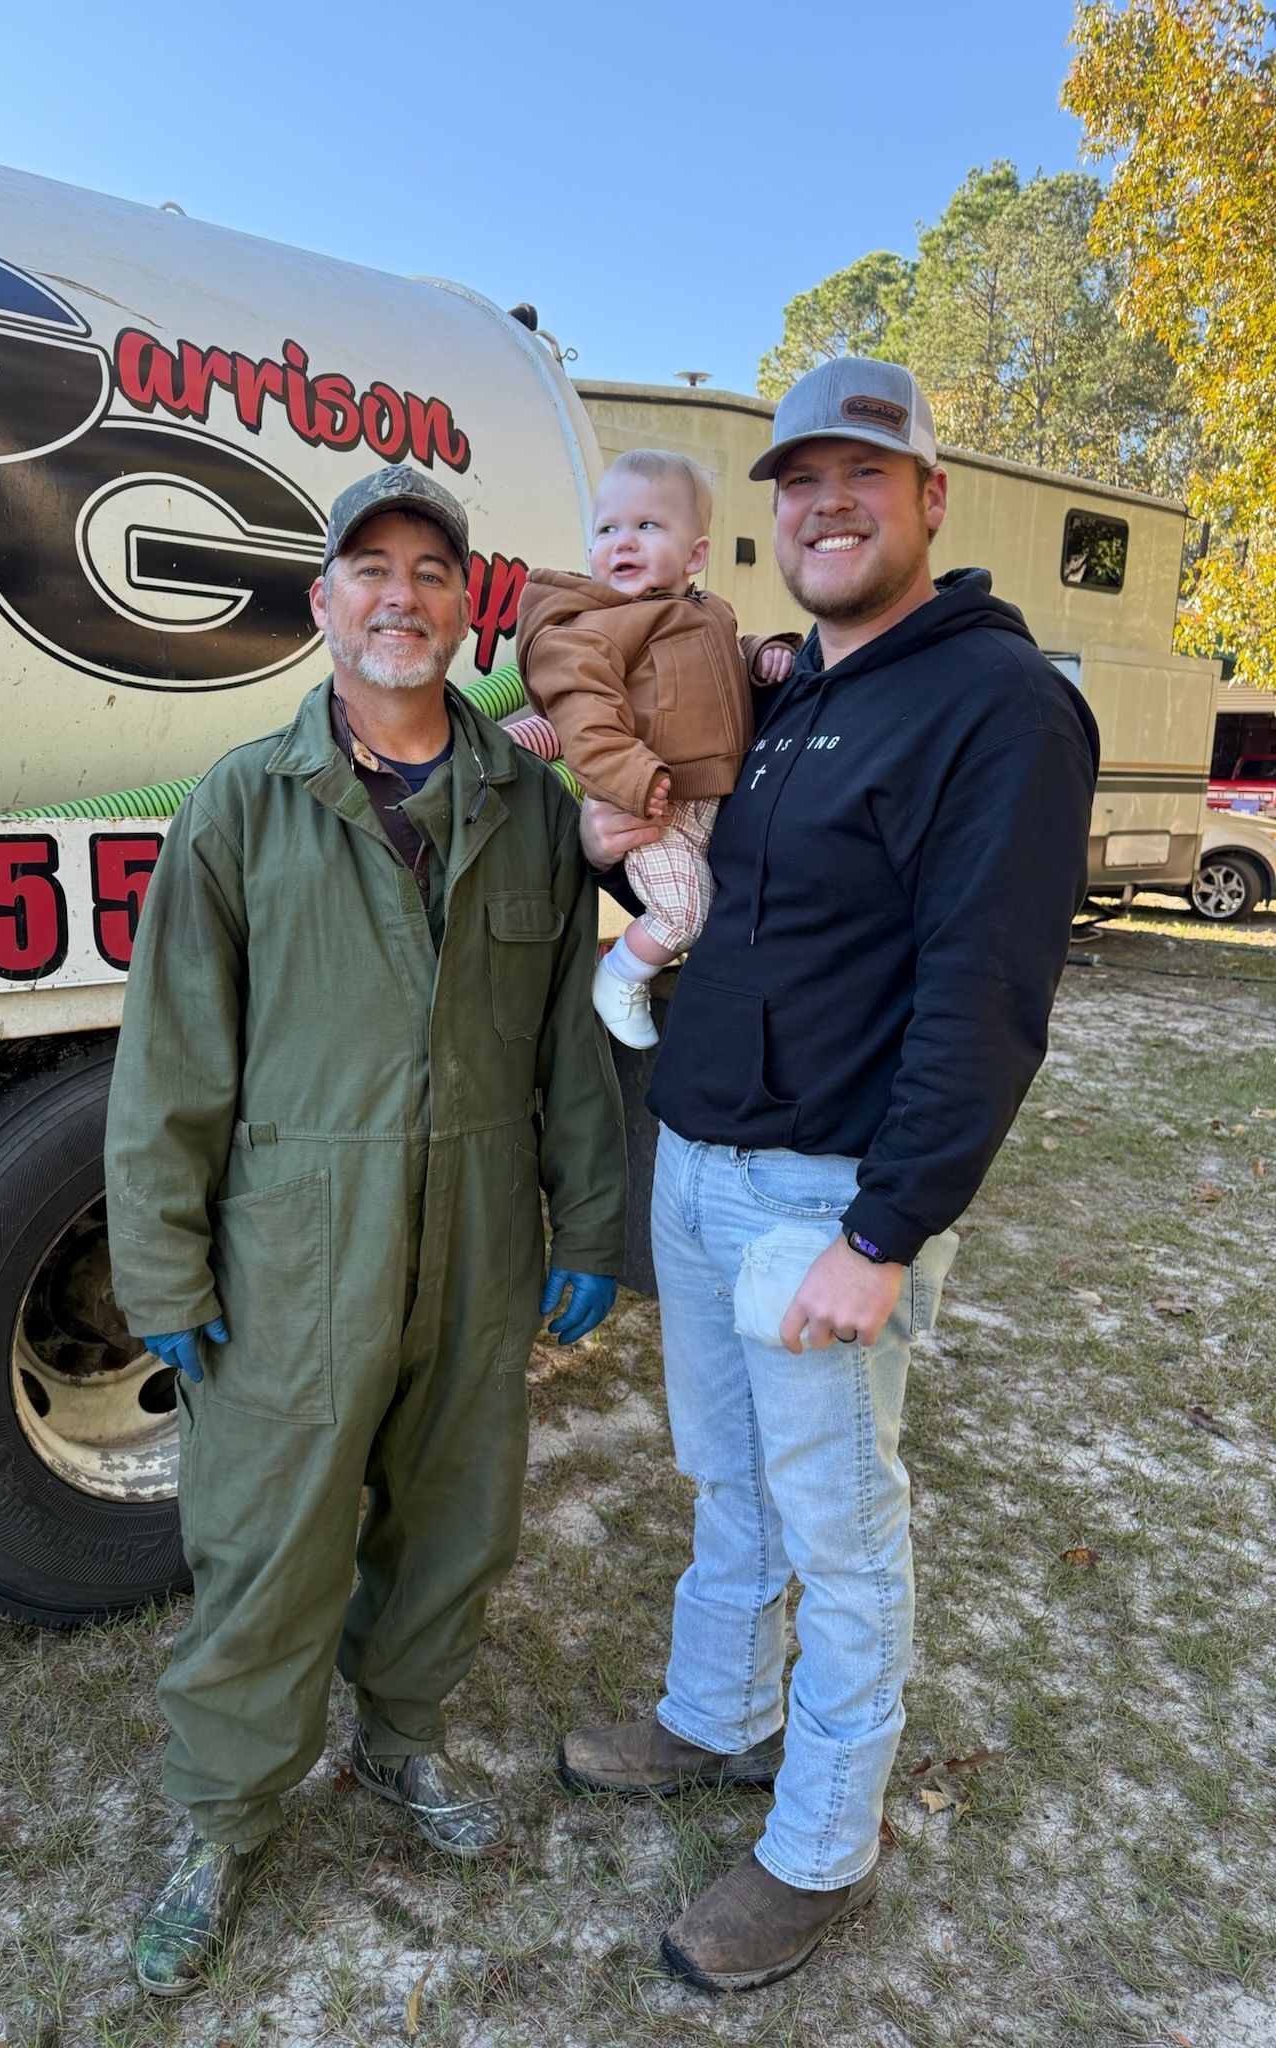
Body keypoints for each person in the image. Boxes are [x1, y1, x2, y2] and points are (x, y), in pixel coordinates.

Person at [560, 360, 1099, 1993]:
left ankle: (821, 1844)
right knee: (728, 1484)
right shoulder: (787, 693)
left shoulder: (1001, 704)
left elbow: (984, 992)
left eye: (864, 474)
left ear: (931, 497)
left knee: (845, 1533)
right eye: (800, 480)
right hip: (701, 1160)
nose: (827, 504)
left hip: (823, 1200)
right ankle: (717, 1714)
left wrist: (884, 1232)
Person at [104, 464, 626, 1997]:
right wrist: (163, 1265)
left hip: (479, 1231)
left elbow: (572, 1044)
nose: (402, 595)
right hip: (294, 1243)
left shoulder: (529, 808)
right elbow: (170, 1063)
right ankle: (224, 1818)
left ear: (469, 610)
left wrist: (591, 1220)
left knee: (453, 1518)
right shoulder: (241, 804)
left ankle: (400, 1743)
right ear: (322, 601)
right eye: (371, 569)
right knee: (268, 1539)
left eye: (432, 572)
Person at [515, 449, 798, 1050]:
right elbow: (585, 717)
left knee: (722, 904)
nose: (623, 541)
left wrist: (760, 655)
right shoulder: (593, 629)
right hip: (655, 804)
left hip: (712, 802)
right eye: (607, 529)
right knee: (686, 911)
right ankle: (619, 976)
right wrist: (633, 778)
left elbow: (722, 664)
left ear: (695, 556)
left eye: (646, 525)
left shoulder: (708, 611)